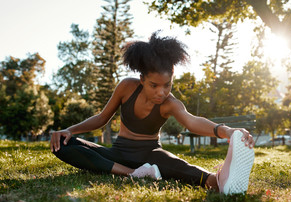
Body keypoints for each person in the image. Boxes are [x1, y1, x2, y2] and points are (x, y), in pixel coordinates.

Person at [50, 32, 255, 193]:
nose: (161, 92)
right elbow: (102, 118)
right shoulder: (126, 87)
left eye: (167, 85)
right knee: (62, 146)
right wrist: (69, 130)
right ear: (142, 80)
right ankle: (135, 174)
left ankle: (221, 179)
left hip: (151, 155)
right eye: (154, 85)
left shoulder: (170, 103)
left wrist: (226, 131)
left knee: (176, 166)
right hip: (118, 153)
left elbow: (192, 122)